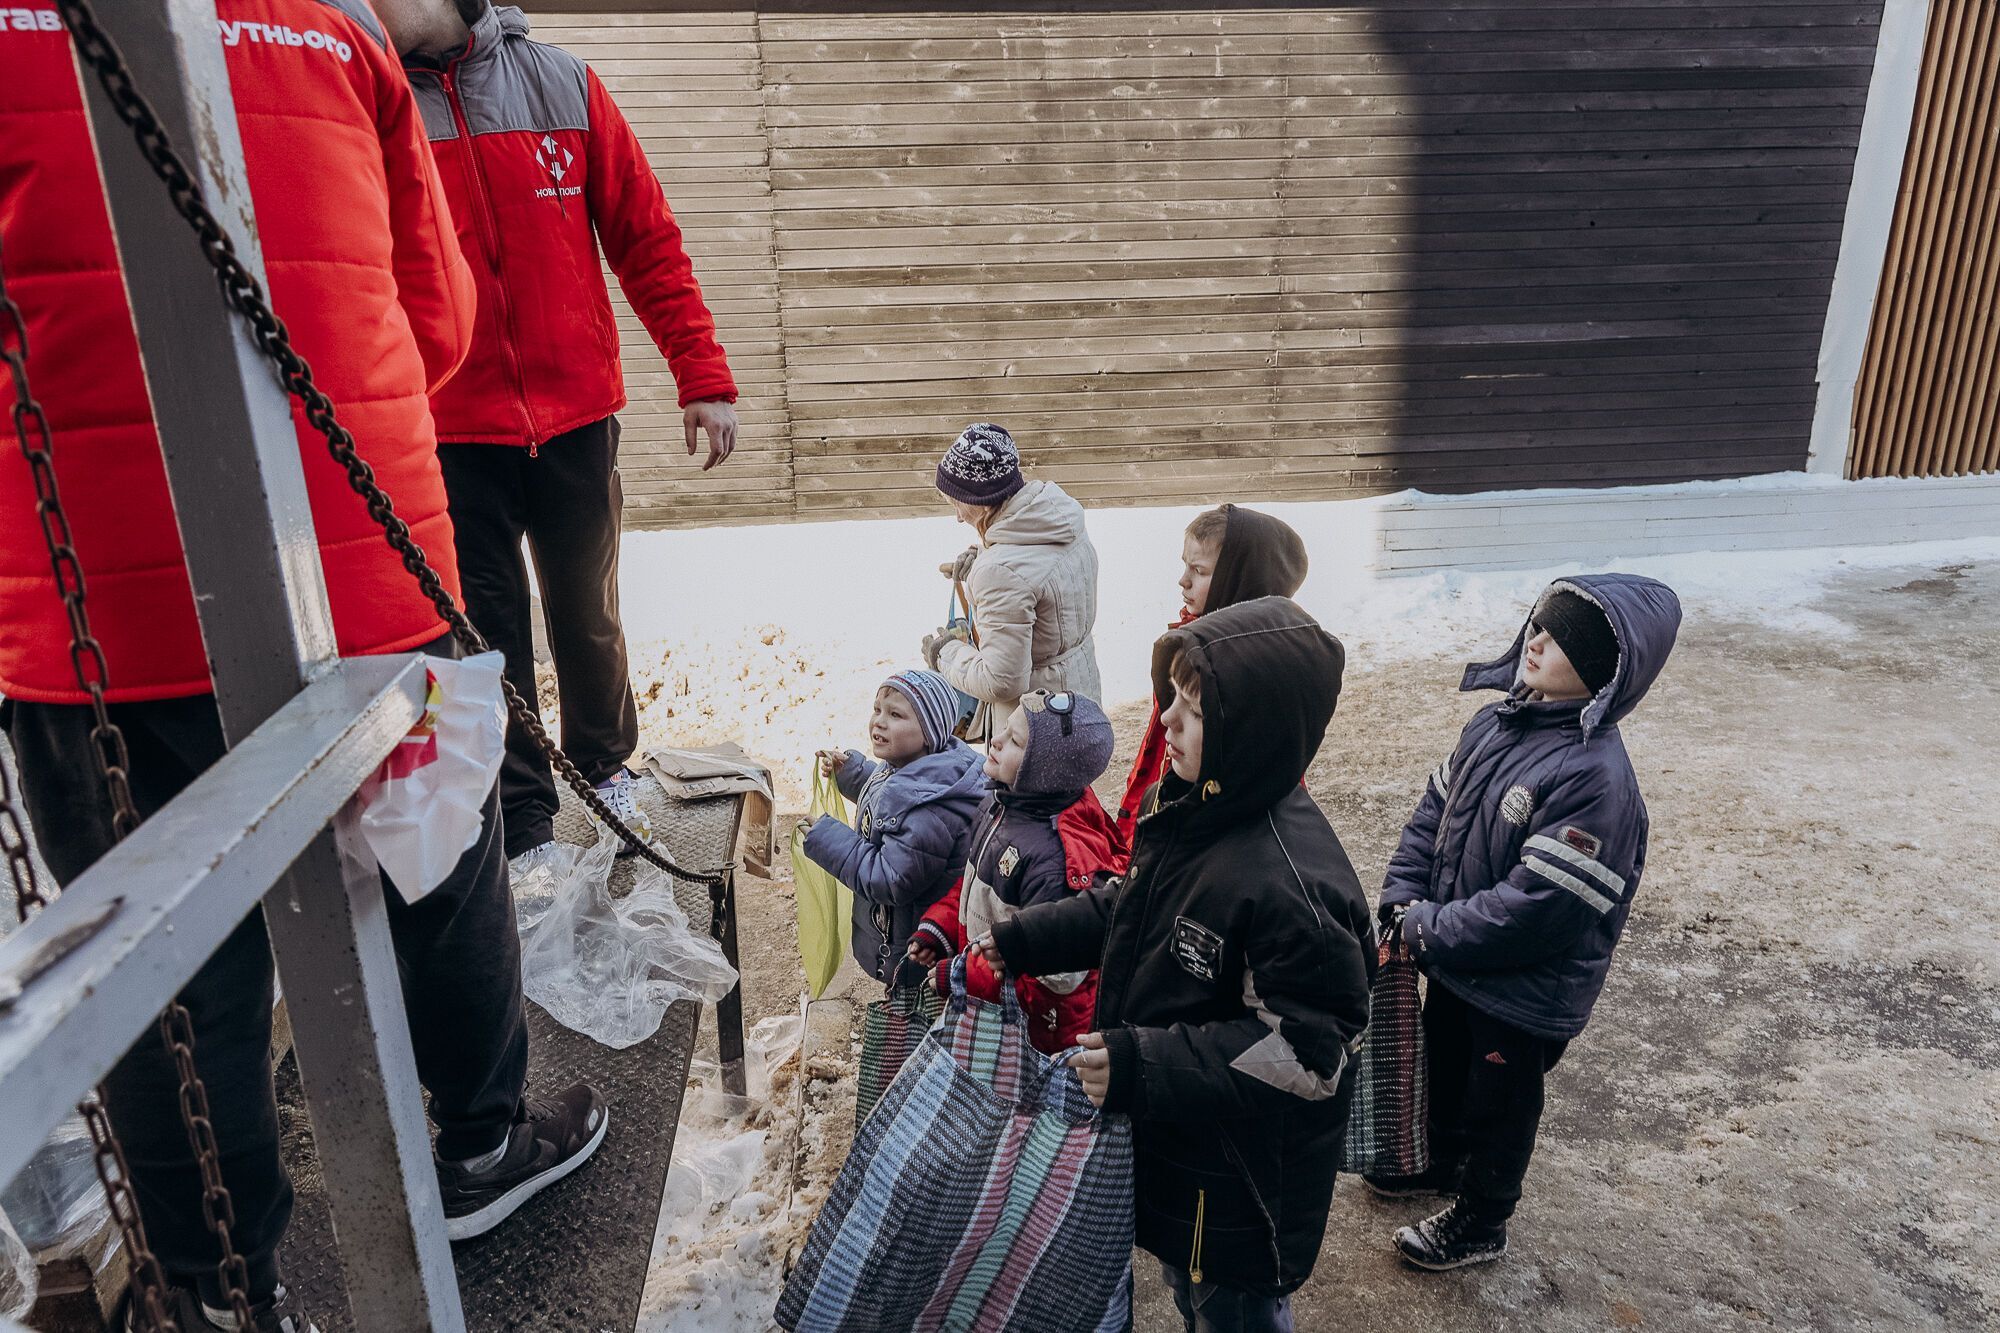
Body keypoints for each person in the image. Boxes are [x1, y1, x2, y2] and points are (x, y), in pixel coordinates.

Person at [0, 2, 603, 1329]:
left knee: (162, 961)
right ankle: (482, 1143)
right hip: (366, 561)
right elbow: (434, 319)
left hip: (104, 617)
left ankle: (220, 1285)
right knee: (439, 872)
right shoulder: (333, 28)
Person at [392, 0, 741, 868]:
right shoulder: (372, 100)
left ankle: (607, 770)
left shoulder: (564, 84)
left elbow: (647, 239)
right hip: (448, 431)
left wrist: (702, 374)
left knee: (587, 613)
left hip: (578, 416)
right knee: (487, 629)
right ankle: (529, 818)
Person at [980, 598, 1374, 1332]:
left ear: (1247, 734)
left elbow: (1308, 1053)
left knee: (1232, 1313)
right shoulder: (1189, 807)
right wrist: (1025, 939)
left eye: (1189, 713)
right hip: (1183, 1146)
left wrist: (1140, 1061)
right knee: (1191, 1289)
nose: (1162, 722)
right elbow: (1127, 908)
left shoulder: (1292, 888)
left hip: (1241, 1181)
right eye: (1172, 700)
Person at [1373, 576, 1681, 1271]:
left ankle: (1484, 1214)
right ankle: (1441, 1159)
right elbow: (1433, 815)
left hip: (1523, 989)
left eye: (1560, 636)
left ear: (1604, 669)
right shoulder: (1495, 724)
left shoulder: (1596, 779)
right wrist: (1403, 898)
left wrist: (1431, 927)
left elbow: (1539, 909)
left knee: (1501, 1098)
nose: (1534, 640)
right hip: (1457, 956)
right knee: (1446, 1063)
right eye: (1537, 624)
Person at [906, 690, 1120, 1054]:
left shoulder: (1057, 861)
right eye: (1005, 726)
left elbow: (1055, 978)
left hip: (1037, 1035)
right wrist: (939, 926)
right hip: (994, 1008)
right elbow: (976, 882)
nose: (996, 739)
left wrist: (964, 975)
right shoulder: (999, 802)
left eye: (1015, 740)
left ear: (1046, 770)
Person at [1111, 504, 1308, 862]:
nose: (1183, 580)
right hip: (1174, 770)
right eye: (1185, 565)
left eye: (1198, 570)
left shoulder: (1244, 661)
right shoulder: (1192, 636)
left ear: (1240, 579)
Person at [802, 671, 986, 984]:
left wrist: (827, 840)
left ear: (929, 732)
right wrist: (853, 773)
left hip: (912, 952)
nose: (879, 722)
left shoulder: (931, 809)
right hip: (901, 936)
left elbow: (891, 879)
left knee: (912, 1022)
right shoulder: (915, 765)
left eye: (896, 714)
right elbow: (889, 798)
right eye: (877, 710)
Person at [923, 423, 1101, 739]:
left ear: (981, 499)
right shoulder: (1059, 518)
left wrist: (944, 653)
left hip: (1034, 730)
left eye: (957, 503)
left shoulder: (1000, 573)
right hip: (1079, 700)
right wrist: (985, 555)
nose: (958, 518)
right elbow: (1045, 580)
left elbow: (1001, 680)